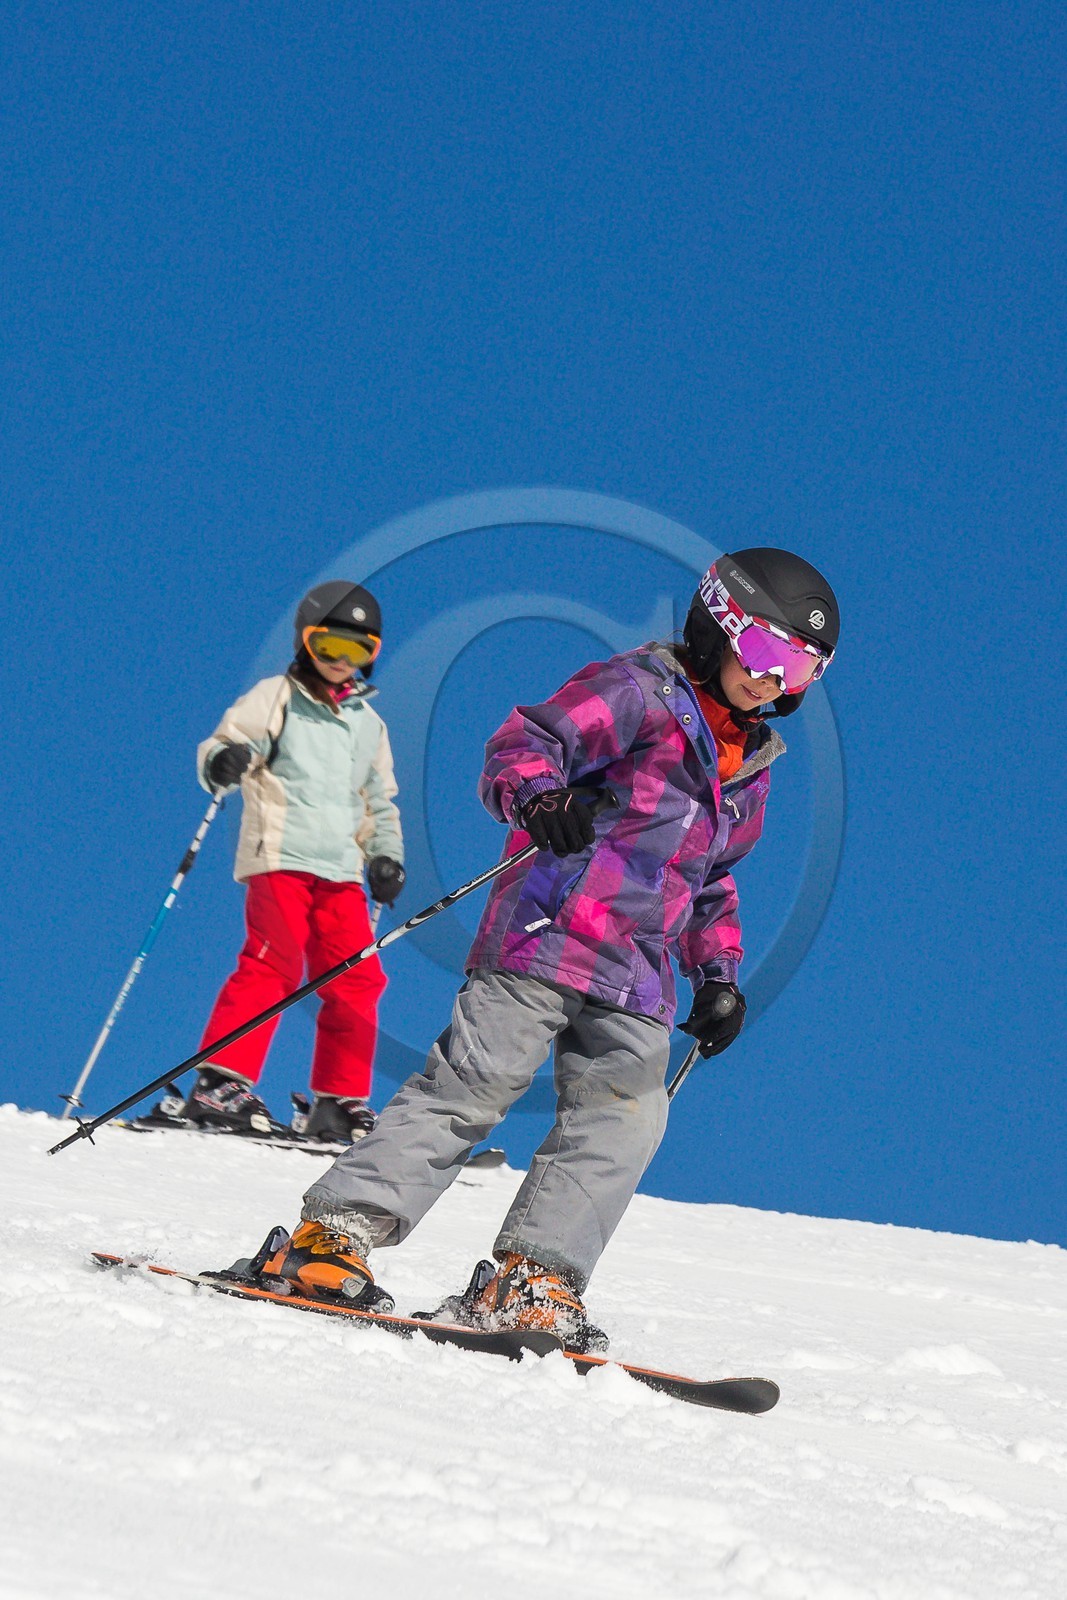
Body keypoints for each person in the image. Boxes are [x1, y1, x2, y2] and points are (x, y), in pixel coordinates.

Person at [249, 549, 839, 1347]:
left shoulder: (750, 766)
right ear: (718, 622)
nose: (777, 681)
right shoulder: (638, 692)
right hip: (547, 935)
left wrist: (718, 976)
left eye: (802, 668)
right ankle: (333, 1237)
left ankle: (532, 1278)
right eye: (769, 653)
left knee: (626, 1120)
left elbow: (711, 884)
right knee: (473, 1086)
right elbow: (524, 742)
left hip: (638, 978)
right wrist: (540, 797)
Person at [178, 581, 404, 1143]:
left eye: (356, 652)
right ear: (307, 643)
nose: (340, 663)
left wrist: (386, 857)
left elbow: (380, 800)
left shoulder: (368, 726)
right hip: (279, 855)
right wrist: (223, 762)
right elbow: (222, 743)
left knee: (358, 978)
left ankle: (337, 1102)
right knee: (273, 963)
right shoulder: (275, 696)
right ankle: (220, 1083)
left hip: (342, 872)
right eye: (329, 647)